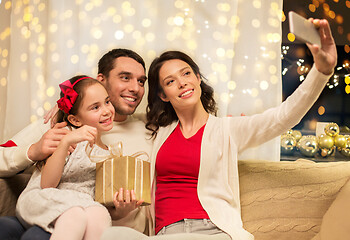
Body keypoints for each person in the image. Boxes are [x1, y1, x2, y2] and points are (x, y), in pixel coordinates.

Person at [101, 18, 337, 240]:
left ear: (197, 78)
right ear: (163, 95)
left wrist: (321, 71)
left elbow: (282, 118)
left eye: (186, 74)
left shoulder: (227, 130)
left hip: (213, 231)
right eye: (170, 81)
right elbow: (104, 118)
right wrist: (65, 119)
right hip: (167, 233)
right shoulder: (154, 130)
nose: (182, 82)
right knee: (111, 235)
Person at [0, 48, 152, 239]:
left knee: (96, 216)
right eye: (125, 77)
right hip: (49, 206)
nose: (135, 88)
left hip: (92, 213)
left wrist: (122, 210)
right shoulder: (59, 124)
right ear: (101, 80)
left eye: (141, 81)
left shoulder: (149, 128)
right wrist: (35, 150)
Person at [17, 76, 115, 239]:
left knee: (100, 214)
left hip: (84, 203)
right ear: (75, 120)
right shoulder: (66, 136)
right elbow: (47, 185)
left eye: (107, 102)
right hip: (43, 198)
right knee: (74, 215)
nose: (106, 111)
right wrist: (65, 143)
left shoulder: (109, 153)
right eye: (95, 107)